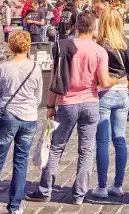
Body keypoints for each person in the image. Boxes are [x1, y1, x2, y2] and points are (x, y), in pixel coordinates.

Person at [27, 10, 119, 204]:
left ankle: (45, 190)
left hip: (68, 102)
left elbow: (54, 79)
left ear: (76, 26)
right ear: (94, 27)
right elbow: (103, 81)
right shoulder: (99, 51)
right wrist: (115, 80)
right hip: (91, 103)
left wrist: (51, 105)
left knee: (56, 147)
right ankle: (79, 194)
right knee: (86, 150)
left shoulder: (63, 47)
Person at [0, 31, 42, 214]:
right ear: (28, 46)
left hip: (8, 115)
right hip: (29, 117)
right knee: (21, 162)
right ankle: (14, 206)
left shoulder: (4, 68)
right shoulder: (35, 67)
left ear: (11, 47)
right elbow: (38, 96)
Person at [92, 7, 129, 199]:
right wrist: (125, 84)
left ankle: (102, 186)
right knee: (120, 139)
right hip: (122, 94)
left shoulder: (100, 44)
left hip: (104, 94)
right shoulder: (127, 43)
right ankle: (118, 185)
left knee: (102, 141)